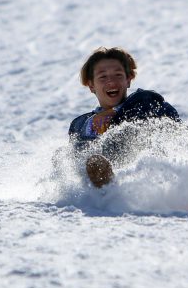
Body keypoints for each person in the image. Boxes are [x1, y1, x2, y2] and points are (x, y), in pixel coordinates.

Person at [68, 47, 180, 187]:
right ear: (91, 85)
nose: (111, 82)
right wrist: (93, 123)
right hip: (98, 179)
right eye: (103, 77)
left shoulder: (145, 102)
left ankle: (109, 186)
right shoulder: (81, 124)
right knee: (63, 155)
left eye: (118, 75)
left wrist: (116, 114)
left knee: (128, 131)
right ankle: (99, 187)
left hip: (148, 177)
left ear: (128, 80)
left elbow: (168, 118)